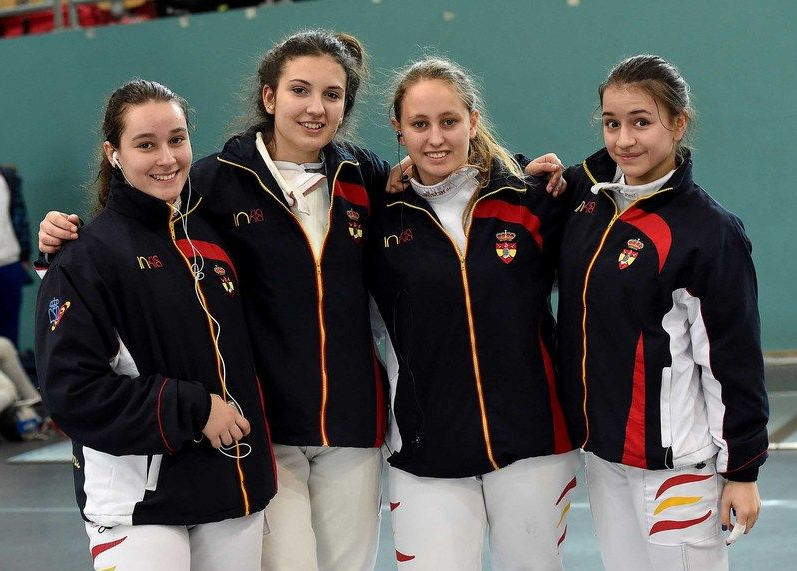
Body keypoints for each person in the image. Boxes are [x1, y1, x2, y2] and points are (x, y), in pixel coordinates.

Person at [40, 30, 389, 571]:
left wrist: (517, 173)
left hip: (350, 427)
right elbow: (137, 227)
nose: (315, 107)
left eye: (332, 94)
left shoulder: (366, 176)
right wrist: (60, 244)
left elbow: (442, 186)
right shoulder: (213, 181)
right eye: (299, 89)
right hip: (264, 432)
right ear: (269, 96)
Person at [34, 79, 276, 571]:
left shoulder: (212, 236)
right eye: (145, 145)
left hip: (232, 489)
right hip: (138, 506)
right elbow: (72, 392)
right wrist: (192, 408)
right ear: (114, 154)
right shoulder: (85, 258)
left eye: (177, 139)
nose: (167, 158)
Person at [551, 55, 769, 571]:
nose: (624, 140)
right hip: (604, 455)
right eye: (611, 123)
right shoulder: (586, 197)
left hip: (677, 467)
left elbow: (731, 359)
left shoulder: (709, 232)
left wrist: (742, 469)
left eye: (641, 122)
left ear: (678, 123)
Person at [367, 57, 580, 571]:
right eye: (419, 124)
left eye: (449, 121)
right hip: (424, 449)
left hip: (534, 441)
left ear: (473, 120)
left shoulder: (532, 201)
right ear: (398, 129)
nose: (435, 138)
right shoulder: (380, 217)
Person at [0, 164, 31, 348]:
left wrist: (24, 255)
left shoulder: (8, 178)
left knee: (9, 343)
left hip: (10, 266)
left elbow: (20, 218)